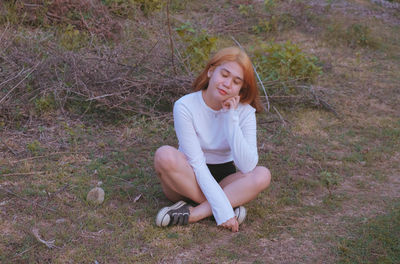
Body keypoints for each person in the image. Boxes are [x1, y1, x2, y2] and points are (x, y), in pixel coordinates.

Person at [154, 47, 271, 232]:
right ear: (210, 71)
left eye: (236, 81)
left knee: (262, 174)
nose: (227, 84)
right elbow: (197, 163)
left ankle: (194, 214)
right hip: (186, 177)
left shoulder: (245, 112)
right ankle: (228, 204)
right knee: (164, 155)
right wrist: (223, 208)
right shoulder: (185, 106)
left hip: (225, 177)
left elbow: (247, 166)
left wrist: (230, 118)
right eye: (224, 74)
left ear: (241, 88)